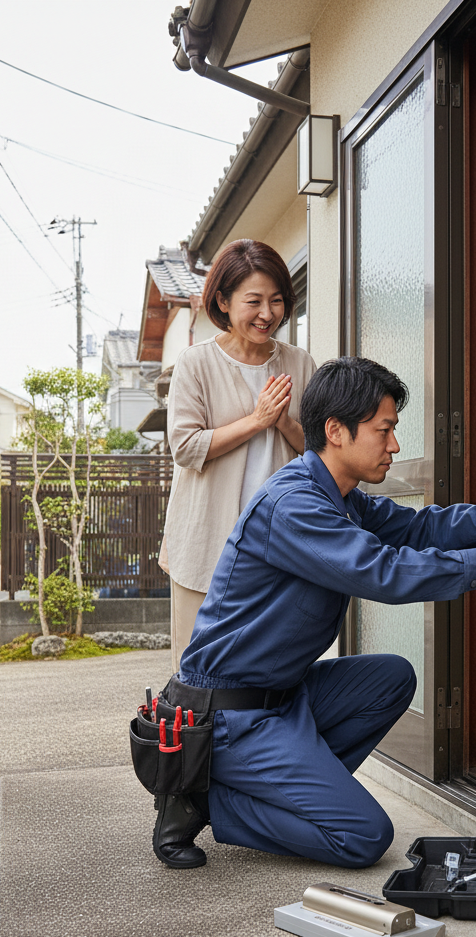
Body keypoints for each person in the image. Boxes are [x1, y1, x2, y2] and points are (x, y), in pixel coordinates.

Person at [151, 356, 476, 870]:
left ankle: (291, 791)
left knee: (390, 678)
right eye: (384, 430)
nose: (394, 445)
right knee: (363, 836)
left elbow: (418, 529)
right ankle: (206, 797)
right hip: (230, 715)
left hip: (284, 698)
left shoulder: (342, 498)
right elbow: (381, 572)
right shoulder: (294, 505)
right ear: (336, 431)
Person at [159, 239, 316, 672]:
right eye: (254, 301)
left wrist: (284, 423)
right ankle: (199, 744)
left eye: (277, 301)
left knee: (271, 666)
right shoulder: (195, 363)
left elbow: (322, 451)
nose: (267, 313)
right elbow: (186, 447)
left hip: (280, 541)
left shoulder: (301, 364)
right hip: (207, 539)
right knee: (199, 667)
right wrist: (258, 419)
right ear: (224, 302)